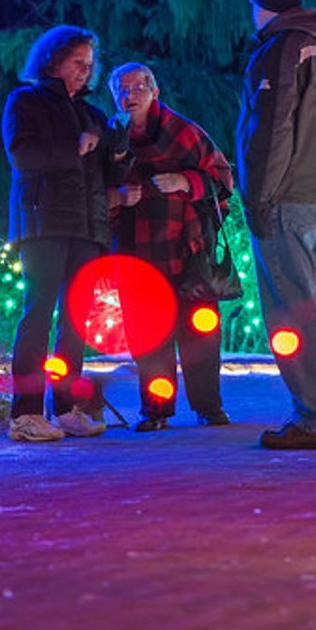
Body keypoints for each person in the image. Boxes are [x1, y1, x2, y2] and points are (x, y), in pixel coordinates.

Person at [235, 0, 316, 450]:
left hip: (286, 198)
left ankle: (314, 419)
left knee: (291, 311)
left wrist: (259, 197)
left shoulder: (281, 50)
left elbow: (272, 128)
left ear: (264, 4)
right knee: (315, 308)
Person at [3, 25, 123, 443]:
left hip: (87, 228)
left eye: (90, 66)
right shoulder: (27, 101)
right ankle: (26, 414)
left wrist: (118, 159)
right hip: (43, 224)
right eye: (78, 63)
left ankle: (67, 407)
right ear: (54, 60)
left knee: (75, 322)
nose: (84, 73)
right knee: (37, 316)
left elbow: (105, 169)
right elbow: (23, 156)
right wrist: (76, 147)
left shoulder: (93, 114)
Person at [105, 62, 235, 432]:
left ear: (154, 92)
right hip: (137, 253)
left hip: (187, 250)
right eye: (121, 89)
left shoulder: (183, 132)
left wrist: (185, 180)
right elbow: (95, 188)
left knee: (199, 333)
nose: (128, 96)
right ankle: (155, 410)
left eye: (136, 88)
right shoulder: (114, 138)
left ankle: (209, 406)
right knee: (148, 335)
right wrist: (115, 197)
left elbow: (222, 178)